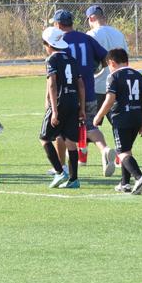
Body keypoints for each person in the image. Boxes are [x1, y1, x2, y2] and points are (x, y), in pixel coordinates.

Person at [53, 9, 111, 175]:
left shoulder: (58, 40)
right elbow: (106, 57)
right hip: (89, 90)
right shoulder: (86, 38)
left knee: (60, 130)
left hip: (68, 93)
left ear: (58, 24)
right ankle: (105, 150)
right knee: (90, 126)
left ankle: (61, 167)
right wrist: (96, 69)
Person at [93, 48, 142, 195]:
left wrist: (98, 116)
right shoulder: (139, 76)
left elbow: (110, 99)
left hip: (121, 118)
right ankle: (124, 183)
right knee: (127, 149)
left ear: (112, 63)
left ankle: (139, 177)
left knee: (122, 152)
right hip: (137, 117)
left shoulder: (113, 77)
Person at [86, 5, 128, 173]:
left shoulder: (90, 35)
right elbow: (126, 58)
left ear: (91, 18)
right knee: (118, 125)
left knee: (88, 125)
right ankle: (121, 156)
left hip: (96, 86)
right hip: (117, 86)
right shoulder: (119, 33)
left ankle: (84, 156)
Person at [40, 28, 83, 189]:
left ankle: (59, 172)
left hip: (59, 103)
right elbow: (80, 84)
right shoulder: (71, 59)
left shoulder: (51, 60)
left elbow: (52, 84)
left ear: (49, 45)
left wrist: (54, 110)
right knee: (71, 142)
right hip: (73, 102)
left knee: (44, 138)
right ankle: (74, 179)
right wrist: (82, 107)